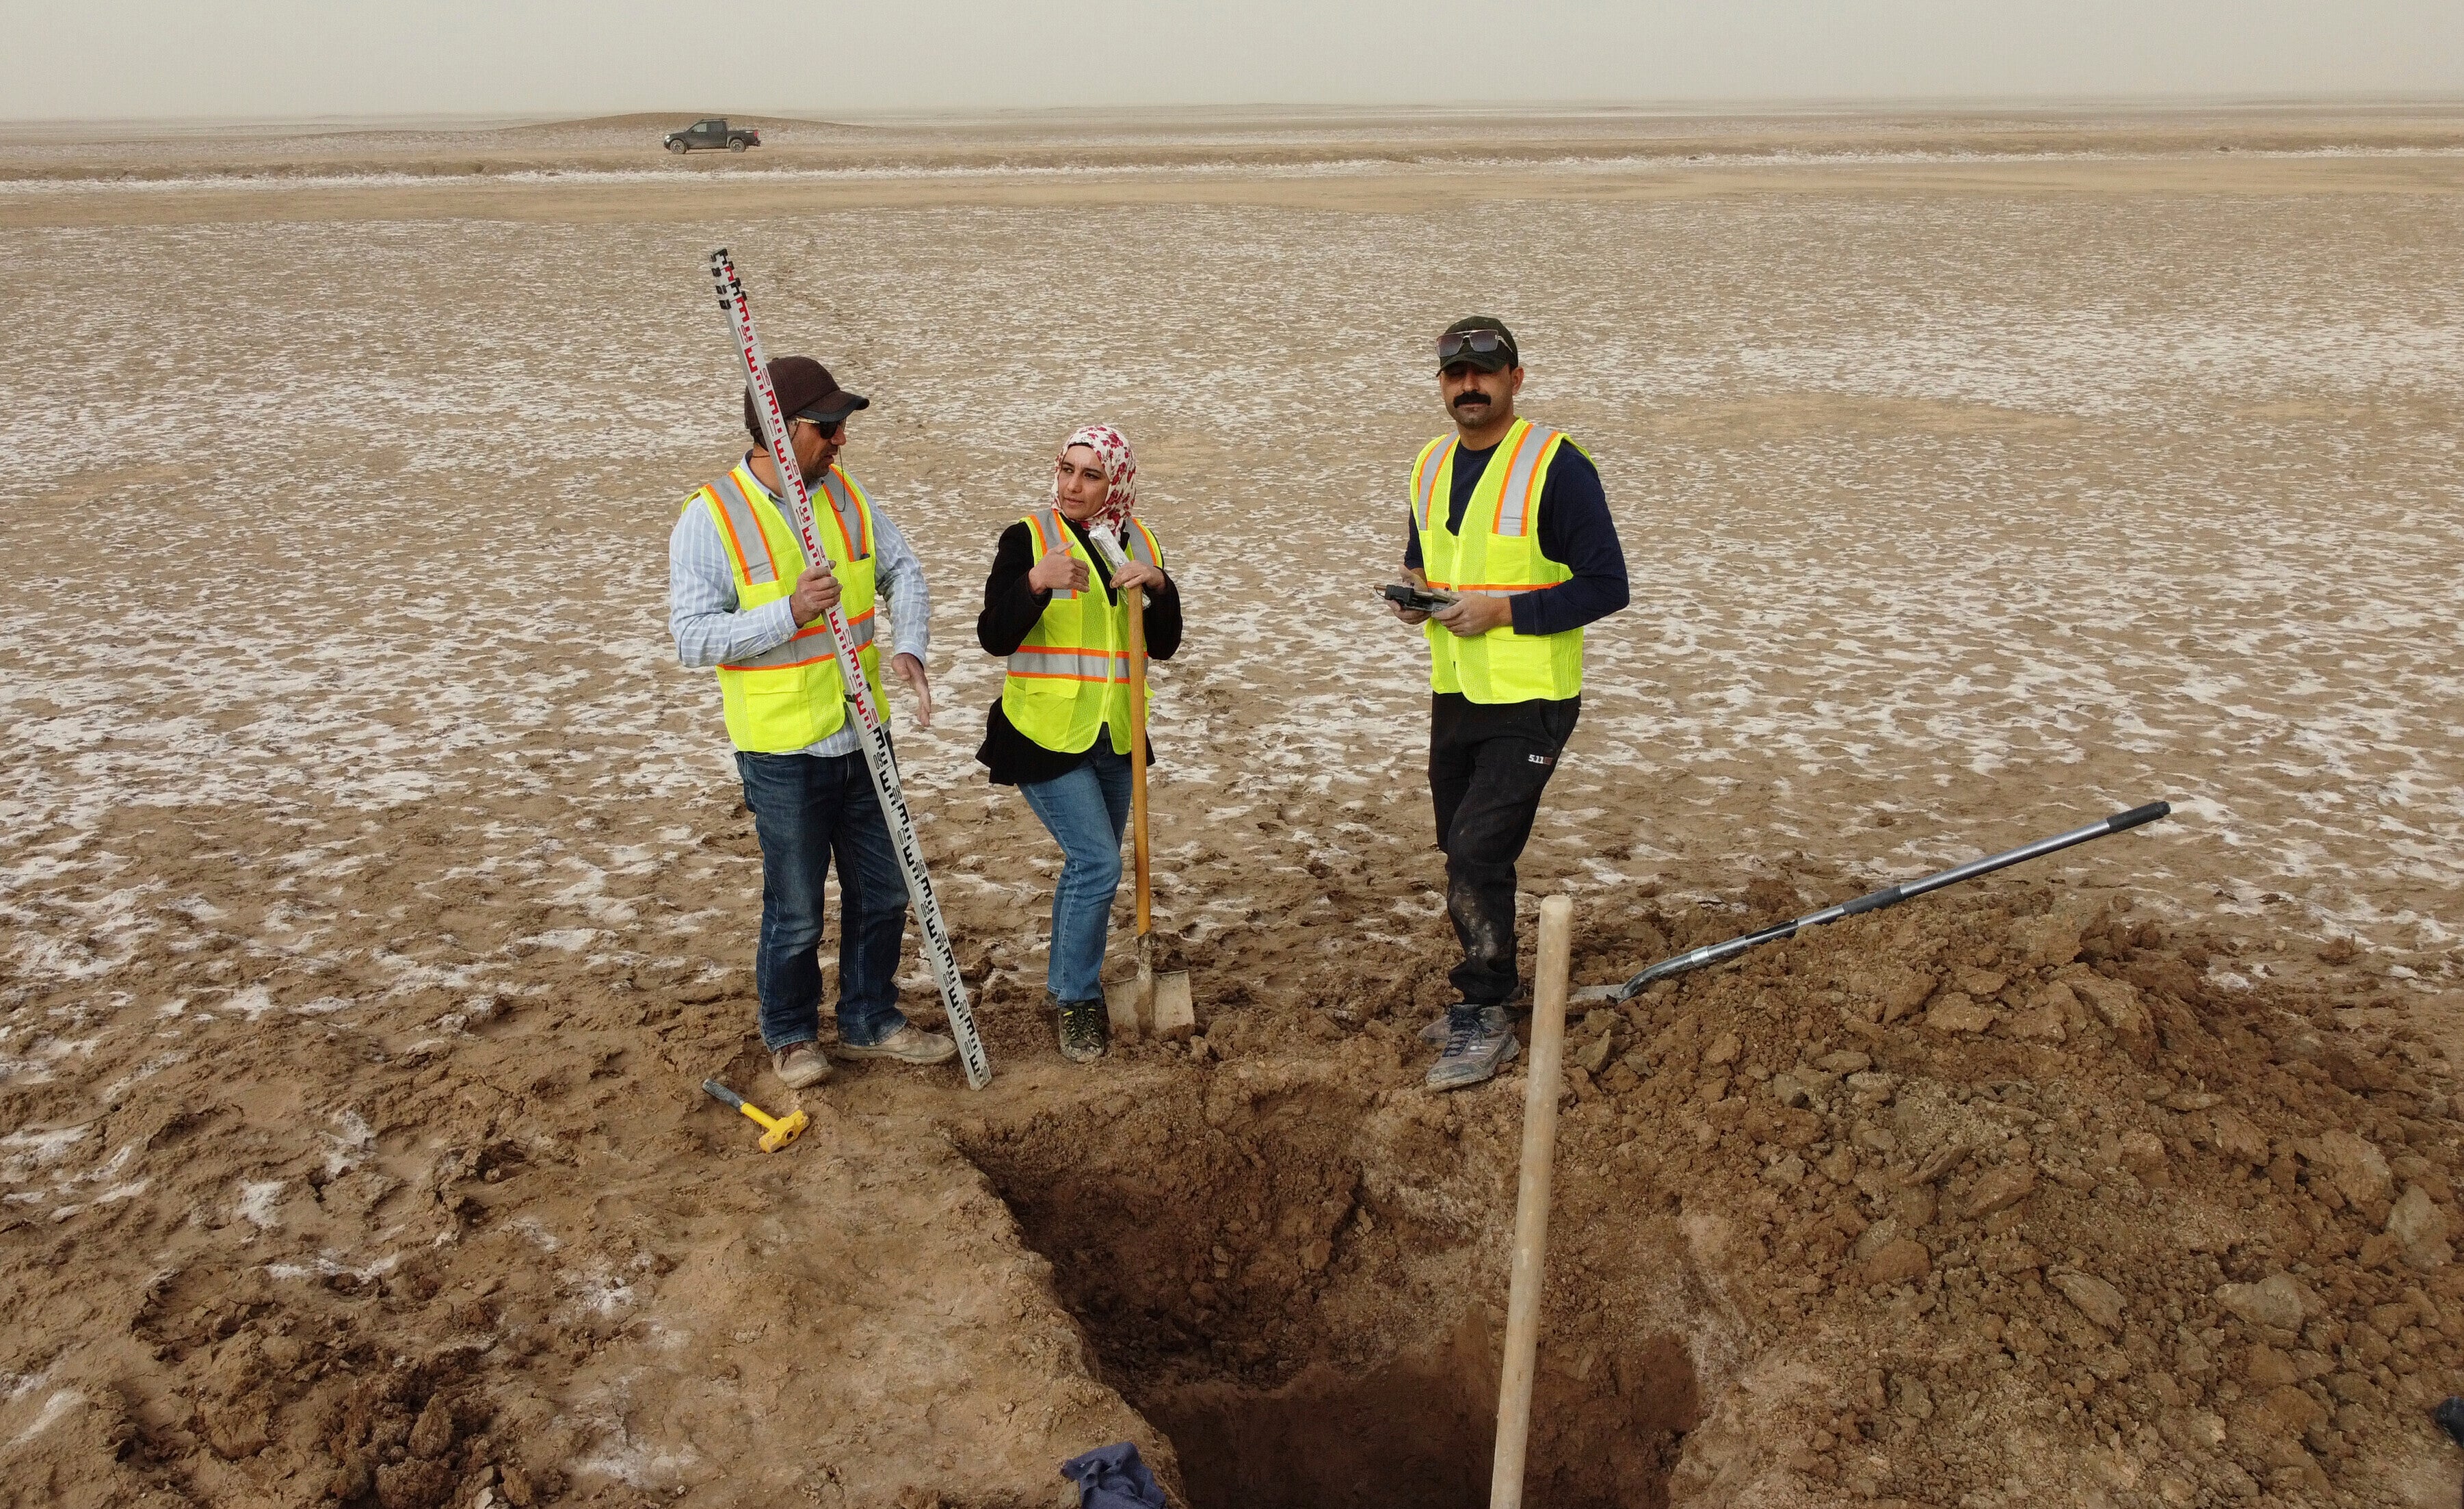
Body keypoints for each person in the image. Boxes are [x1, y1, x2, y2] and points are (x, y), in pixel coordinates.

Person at [669, 355, 957, 1092]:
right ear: (777, 430)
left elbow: (905, 572)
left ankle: (870, 1018)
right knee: (795, 907)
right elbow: (692, 637)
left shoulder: (847, 498)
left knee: (884, 890)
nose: (840, 441)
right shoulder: (711, 517)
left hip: (865, 732)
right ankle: (791, 1034)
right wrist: (788, 611)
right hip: (783, 750)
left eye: (842, 426)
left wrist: (911, 647)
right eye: (826, 427)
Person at [1383, 317, 1630, 1091]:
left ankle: (1486, 1013)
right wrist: (1415, 599)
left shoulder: (1557, 466)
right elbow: (1425, 561)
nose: (1469, 386)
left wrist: (1503, 612)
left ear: (1515, 379)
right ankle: (1488, 992)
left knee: (1479, 849)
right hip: (1456, 691)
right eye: (1455, 374)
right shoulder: (1428, 464)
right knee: (1458, 845)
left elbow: (1606, 584)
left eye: (1484, 372)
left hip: (1533, 696)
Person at [975, 424, 1182, 1064]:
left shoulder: (1139, 541)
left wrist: (1159, 587)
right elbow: (994, 636)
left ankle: (1074, 983)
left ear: (1114, 482)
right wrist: (1035, 584)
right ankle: (1076, 999)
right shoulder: (1028, 538)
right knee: (1097, 863)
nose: (1072, 485)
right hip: (1042, 733)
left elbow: (1166, 643)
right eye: (1067, 470)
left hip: (1114, 735)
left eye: (1090, 475)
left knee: (1091, 865)